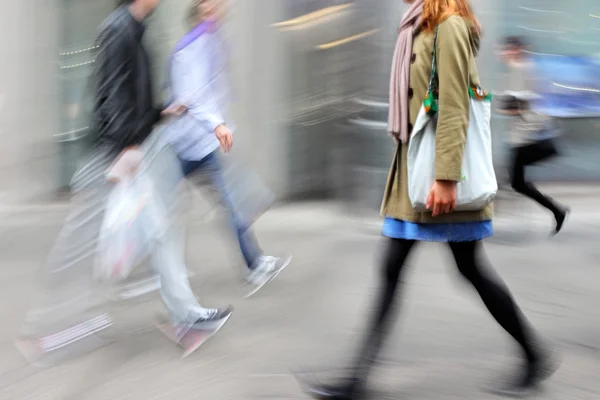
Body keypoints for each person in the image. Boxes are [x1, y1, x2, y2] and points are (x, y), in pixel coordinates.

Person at [302, 1, 558, 398]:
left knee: (458, 268)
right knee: (427, 268)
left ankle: (358, 378)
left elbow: (456, 106)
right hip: (415, 172)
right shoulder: (418, 26)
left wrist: (446, 177)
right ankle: (358, 377)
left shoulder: (450, 27)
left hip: (438, 178)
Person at [17, 0, 232, 363]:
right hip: (112, 158)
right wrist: (127, 148)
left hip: (123, 153)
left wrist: (160, 112)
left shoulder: (132, 28)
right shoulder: (119, 29)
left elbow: (128, 98)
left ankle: (187, 319)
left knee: (158, 232)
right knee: (81, 241)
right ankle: (44, 329)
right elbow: (111, 97)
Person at [163, 0, 291, 297]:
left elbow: (215, 90)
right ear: (196, 15)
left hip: (203, 144)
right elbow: (191, 97)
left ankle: (255, 264)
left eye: (218, 7)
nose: (216, 12)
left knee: (230, 204)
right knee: (162, 210)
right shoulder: (189, 47)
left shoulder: (214, 41)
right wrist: (217, 124)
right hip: (183, 144)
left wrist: (222, 124)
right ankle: (144, 269)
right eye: (208, 9)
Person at [498, 36, 570, 234]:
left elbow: (516, 103)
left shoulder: (520, 68)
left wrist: (505, 105)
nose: (502, 53)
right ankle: (557, 210)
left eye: (506, 49)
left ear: (517, 50)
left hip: (524, 135)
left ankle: (557, 211)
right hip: (522, 134)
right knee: (516, 181)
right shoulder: (521, 68)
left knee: (515, 181)